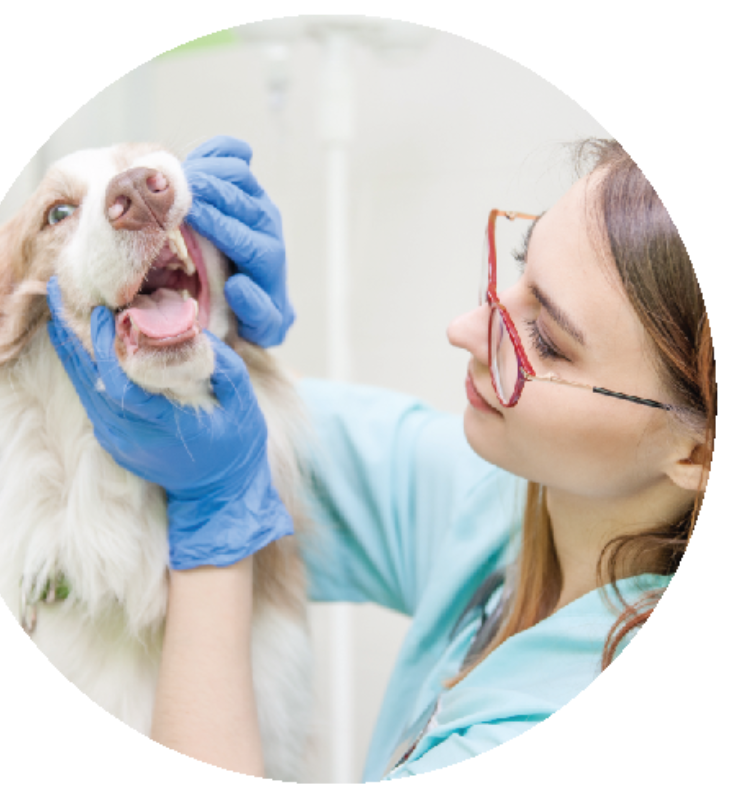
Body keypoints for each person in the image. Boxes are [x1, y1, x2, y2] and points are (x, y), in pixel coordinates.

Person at [46, 136, 715, 781]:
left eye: (545, 338)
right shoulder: (502, 506)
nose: (464, 329)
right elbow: (261, 444)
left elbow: (229, 476)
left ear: (695, 452)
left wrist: (215, 518)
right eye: (518, 267)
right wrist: (220, 327)